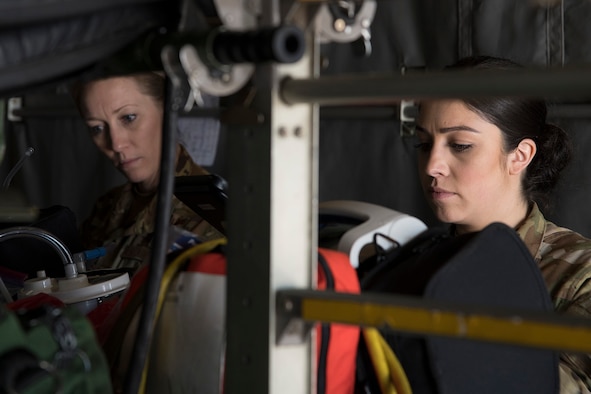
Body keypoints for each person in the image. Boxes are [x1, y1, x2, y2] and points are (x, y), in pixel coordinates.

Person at [414, 55, 591, 393]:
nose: (432, 165)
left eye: (460, 145)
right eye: (423, 144)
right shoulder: (411, 263)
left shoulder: (580, 275)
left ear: (520, 156)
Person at [71, 72, 224, 272]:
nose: (116, 144)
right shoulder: (106, 208)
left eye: (129, 118)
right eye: (97, 128)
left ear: (167, 107)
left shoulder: (210, 213)